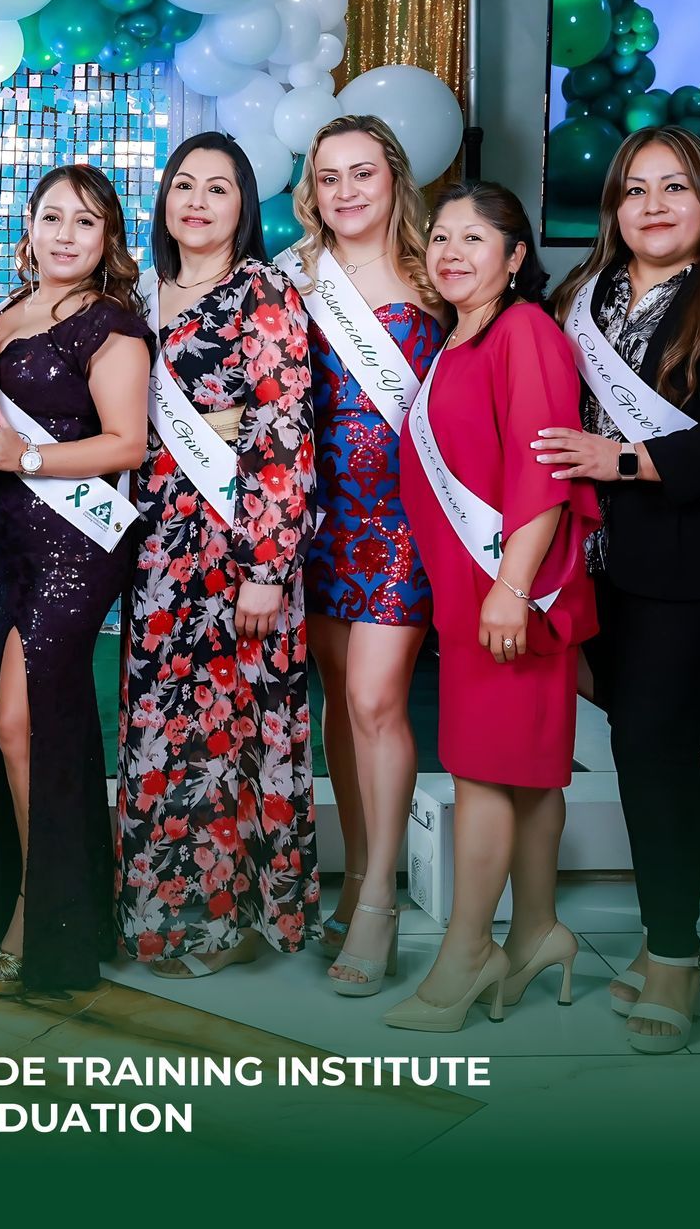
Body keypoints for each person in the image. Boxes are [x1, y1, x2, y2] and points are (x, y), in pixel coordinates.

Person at [541, 126, 700, 1052]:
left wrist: (623, 458)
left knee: (655, 738)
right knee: (637, 733)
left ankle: (675, 954)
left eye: (675, 187)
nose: (653, 206)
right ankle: (665, 939)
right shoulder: (582, 293)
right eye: (634, 190)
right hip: (602, 559)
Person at [384, 182, 599, 1033]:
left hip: (511, 596)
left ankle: (468, 954)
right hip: (476, 595)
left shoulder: (524, 332)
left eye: (475, 238)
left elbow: (544, 472)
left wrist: (511, 590)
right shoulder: (457, 341)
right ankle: (539, 931)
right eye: (441, 236)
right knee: (527, 774)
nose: (451, 252)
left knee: (481, 776)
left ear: (515, 257)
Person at [118, 131, 318, 980]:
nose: (196, 201)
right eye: (183, 185)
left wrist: (267, 569)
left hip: (236, 553)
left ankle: (226, 917)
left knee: (231, 734)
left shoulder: (262, 290)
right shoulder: (134, 291)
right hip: (154, 551)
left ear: (244, 207)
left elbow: (284, 433)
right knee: (162, 730)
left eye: (218, 188)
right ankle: (160, 914)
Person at [0, 165, 151, 995]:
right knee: (40, 728)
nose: (66, 234)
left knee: (17, 724)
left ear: (109, 239)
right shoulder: (1, 315)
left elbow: (126, 442)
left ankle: (41, 913)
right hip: (9, 547)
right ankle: (70, 909)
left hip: (75, 547)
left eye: (86, 221)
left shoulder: (112, 324)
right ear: (29, 226)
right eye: (53, 217)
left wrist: (25, 454)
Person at [274, 114, 443, 997]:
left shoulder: (437, 271)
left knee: (378, 699)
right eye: (328, 176)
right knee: (339, 704)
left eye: (362, 172)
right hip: (318, 521)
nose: (345, 191)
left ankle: (381, 895)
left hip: (405, 520)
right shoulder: (293, 276)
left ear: (394, 179)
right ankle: (355, 874)